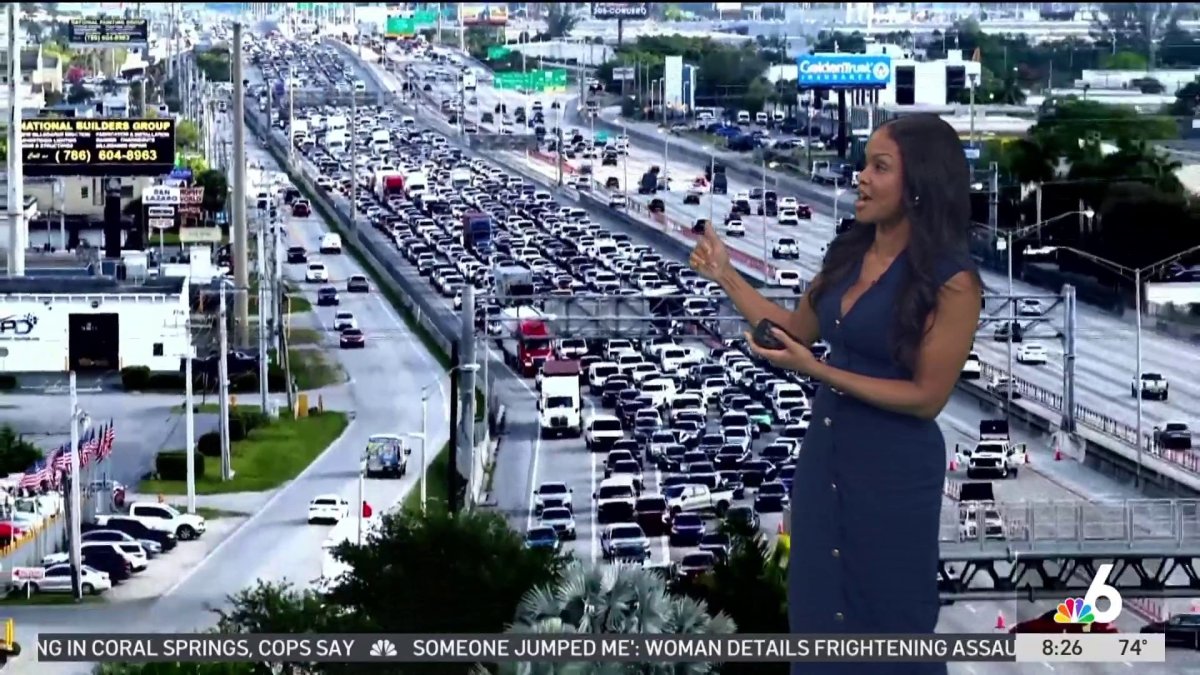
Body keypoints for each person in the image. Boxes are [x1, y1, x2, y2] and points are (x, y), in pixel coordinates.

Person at [690, 114, 982, 674]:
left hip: (894, 473)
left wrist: (821, 373)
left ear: (918, 182)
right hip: (826, 466)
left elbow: (927, 398)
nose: (861, 179)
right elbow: (793, 333)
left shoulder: (953, 282)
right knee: (821, 619)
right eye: (863, 164)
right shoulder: (847, 255)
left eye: (880, 167)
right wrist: (726, 275)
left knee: (890, 624)